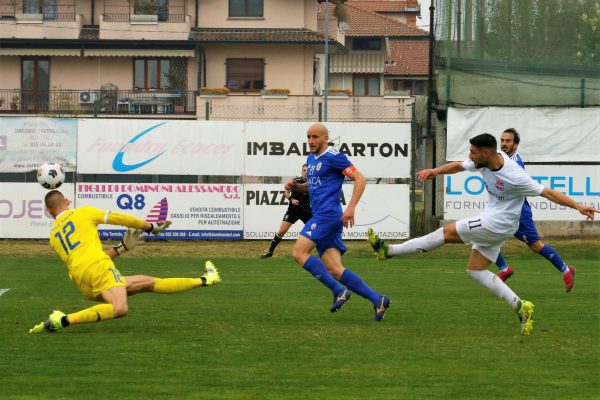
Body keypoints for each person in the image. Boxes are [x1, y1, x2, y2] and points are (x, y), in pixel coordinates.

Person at [367, 133, 598, 335]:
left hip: (495, 224)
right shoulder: (482, 162)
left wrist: (577, 206)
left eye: (474, 152)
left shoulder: (514, 175)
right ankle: (521, 306)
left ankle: (389, 251)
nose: (471, 156)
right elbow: (457, 166)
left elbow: (547, 192)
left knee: (444, 233)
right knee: (475, 271)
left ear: (486, 152)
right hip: (498, 224)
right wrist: (434, 171)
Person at [29, 190, 221, 333]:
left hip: (82, 280)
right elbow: (119, 217)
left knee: (147, 282)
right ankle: (62, 320)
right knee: (120, 309)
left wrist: (121, 248)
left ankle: (205, 280)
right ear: (68, 202)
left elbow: (85, 259)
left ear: (48, 211)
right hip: (99, 269)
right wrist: (150, 226)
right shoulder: (82, 213)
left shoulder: (53, 236)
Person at [287, 122, 390, 321]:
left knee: (298, 252)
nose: (310, 141)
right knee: (334, 268)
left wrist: (351, 207)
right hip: (324, 216)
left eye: (315, 137)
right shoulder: (311, 158)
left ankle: (339, 291)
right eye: (308, 137)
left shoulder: (335, 157)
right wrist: (297, 187)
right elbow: (314, 186)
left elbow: (360, 179)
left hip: (327, 216)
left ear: (326, 138)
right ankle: (378, 300)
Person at [493, 128, 575, 291]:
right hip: (502, 209)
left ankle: (566, 270)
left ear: (516, 145)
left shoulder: (515, 162)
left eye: (508, 141)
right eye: (502, 140)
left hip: (518, 212)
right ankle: (504, 269)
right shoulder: (500, 158)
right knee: (485, 236)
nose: (504, 144)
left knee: (535, 245)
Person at [261, 164, 312, 259]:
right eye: (304, 170)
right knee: (281, 231)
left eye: (308, 170)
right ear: (301, 172)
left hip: (307, 211)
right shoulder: (295, 182)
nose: (306, 172)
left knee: (316, 231)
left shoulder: (313, 183)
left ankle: (323, 251)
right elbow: (286, 192)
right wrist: (291, 199)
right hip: (293, 210)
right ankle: (270, 251)